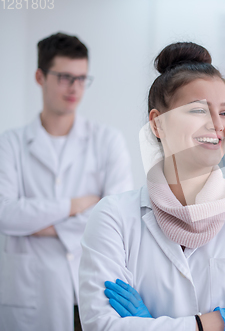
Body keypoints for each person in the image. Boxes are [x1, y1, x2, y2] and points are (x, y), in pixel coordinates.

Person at [78, 42, 225, 331]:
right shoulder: (113, 218)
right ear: (158, 125)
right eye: (198, 110)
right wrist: (213, 323)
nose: (217, 125)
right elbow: (102, 326)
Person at [0, 32, 134, 331]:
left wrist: (35, 225)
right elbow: (5, 215)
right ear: (39, 76)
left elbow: (118, 220)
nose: (74, 88)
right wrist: (78, 204)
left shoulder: (107, 141)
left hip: (93, 288)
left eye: (82, 78)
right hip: (32, 294)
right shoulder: (10, 144)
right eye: (64, 77)